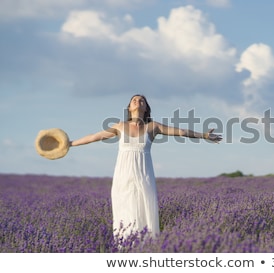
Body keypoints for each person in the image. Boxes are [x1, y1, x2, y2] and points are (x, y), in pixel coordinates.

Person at [69, 94, 222, 240]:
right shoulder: (120, 126)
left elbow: (181, 131)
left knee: (144, 210)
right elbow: (93, 137)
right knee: (124, 211)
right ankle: (125, 249)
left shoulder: (152, 127)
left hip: (144, 175)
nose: (138, 101)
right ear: (129, 108)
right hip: (123, 176)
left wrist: (204, 135)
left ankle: (146, 249)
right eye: (134, 100)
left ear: (146, 108)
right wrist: (70, 144)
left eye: (142, 100)